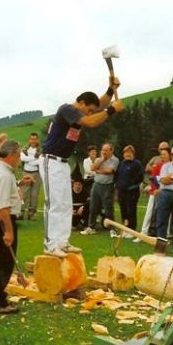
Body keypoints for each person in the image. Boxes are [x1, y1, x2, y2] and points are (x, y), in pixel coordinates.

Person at [39, 76, 123, 257]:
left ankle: (62, 242)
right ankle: (49, 244)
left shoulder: (80, 111)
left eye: (92, 111)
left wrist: (110, 90)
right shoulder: (67, 109)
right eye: (89, 110)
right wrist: (112, 110)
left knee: (65, 204)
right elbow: (93, 121)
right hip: (50, 161)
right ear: (81, 103)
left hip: (62, 162)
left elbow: (99, 105)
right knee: (54, 204)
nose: (91, 113)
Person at [0, 140, 31, 314]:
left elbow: (2, 192)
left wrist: (18, 184)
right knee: (3, 261)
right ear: (11, 155)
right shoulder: (4, 174)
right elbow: (3, 207)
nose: (18, 160)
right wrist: (9, 231)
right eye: (17, 156)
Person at [81, 143, 119, 236]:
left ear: (111, 151)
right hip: (96, 185)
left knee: (108, 208)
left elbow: (109, 171)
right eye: (102, 150)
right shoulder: (99, 159)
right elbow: (92, 168)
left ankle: (112, 229)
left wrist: (98, 171)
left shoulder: (115, 160)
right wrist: (102, 159)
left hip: (107, 186)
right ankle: (91, 227)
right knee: (93, 207)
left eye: (106, 150)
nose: (104, 152)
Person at [136, 148, 171, 242]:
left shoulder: (172, 167)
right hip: (154, 192)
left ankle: (165, 235)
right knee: (149, 212)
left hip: (167, 192)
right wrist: (155, 190)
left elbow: (170, 181)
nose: (163, 156)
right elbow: (153, 178)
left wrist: (161, 190)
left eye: (165, 154)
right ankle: (143, 233)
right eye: (162, 154)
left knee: (167, 214)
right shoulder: (158, 166)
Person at [115, 145, 144, 234]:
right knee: (123, 210)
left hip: (132, 192)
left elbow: (140, 177)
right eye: (126, 153)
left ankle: (132, 230)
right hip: (121, 191)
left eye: (130, 153)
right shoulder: (121, 164)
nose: (128, 154)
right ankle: (125, 229)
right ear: (123, 154)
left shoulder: (137, 164)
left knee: (131, 211)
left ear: (133, 154)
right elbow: (117, 176)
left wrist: (129, 184)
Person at [19, 133, 42, 221]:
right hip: (26, 173)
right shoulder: (24, 149)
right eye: (32, 139)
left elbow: (39, 161)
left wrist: (29, 160)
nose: (33, 141)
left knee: (34, 195)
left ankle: (31, 214)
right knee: (24, 193)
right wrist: (34, 159)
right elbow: (22, 158)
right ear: (29, 140)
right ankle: (21, 212)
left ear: (37, 140)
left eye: (35, 139)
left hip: (36, 173)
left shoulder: (40, 149)